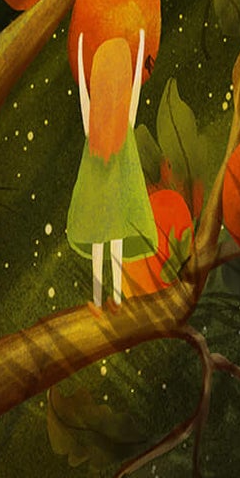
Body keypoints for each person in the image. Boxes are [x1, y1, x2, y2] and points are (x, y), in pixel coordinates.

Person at [67, 31, 160, 307]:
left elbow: (134, 89)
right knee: (103, 244)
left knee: (112, 244)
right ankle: (100, 301)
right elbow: (85, 94)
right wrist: (82, 52)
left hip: (113, 207)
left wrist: (141, 45)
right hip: (100, 205)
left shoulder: (123, 125)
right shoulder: (95, 127)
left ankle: (113, 299)